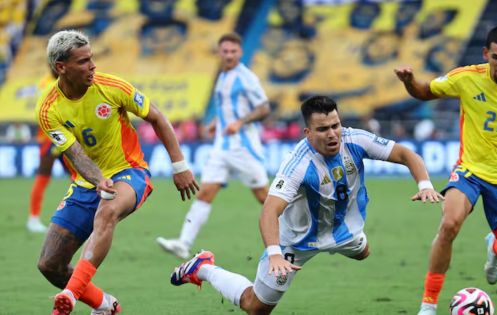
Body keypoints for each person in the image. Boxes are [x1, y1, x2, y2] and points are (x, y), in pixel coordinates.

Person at [168, 95, 443, 314]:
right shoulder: (297, 164)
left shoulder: (355, 139)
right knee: (256, 307)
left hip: (343, 231)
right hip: (296, 242)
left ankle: (350, 240)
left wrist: (425, 185)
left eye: (335, 125)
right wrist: (275, 253)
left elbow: (406, 154)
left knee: (364, 252)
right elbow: (269, 211)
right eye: (323, 129)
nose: (333, 134)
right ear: (308, 132)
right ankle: (203, 267)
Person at [36, 30, 199, 315]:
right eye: (83, 61)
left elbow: (156, 117)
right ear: (61, 67)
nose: (93, 66)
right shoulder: (49, 109)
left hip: (130, 171)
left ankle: (70, 296)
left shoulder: (111, 86)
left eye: (92, 58)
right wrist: (98, 180)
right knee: (49, 265)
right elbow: (75, 152)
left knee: (107, 212)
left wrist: (180, 166)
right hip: (88, 183)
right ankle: (105, 305)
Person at [393, 26, 497, 315]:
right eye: (496, 57)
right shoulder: (466, 77)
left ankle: (496, 248)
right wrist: (409, 81)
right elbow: (424, 92)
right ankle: (428, 306)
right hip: (470, 170)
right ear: (485, 54)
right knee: (450, 222)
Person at [156, 32, 271, 259]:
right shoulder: (223, 75)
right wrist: (216, 123)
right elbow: (230, 107)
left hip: (243, 147)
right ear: (219, 53)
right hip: (222, 147)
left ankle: (299, 229)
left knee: (264, 197)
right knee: (205, 192)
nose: (228, 55)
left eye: (233, 51)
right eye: (225, 51)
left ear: (240, 52)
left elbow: (264, 108)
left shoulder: (245, 77)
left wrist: (240, 122)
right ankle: (183, 243)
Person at [28, 69, 60, 233]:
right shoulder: (46, 84)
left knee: (81, 176)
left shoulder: (68, 79)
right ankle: (33, 218)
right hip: (51, 137)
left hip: (70, 135)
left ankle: (89, 214)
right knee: (43, 175)